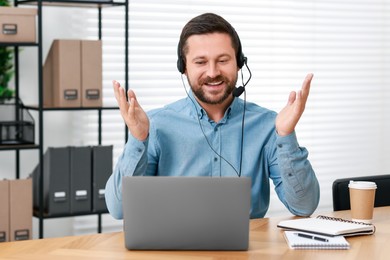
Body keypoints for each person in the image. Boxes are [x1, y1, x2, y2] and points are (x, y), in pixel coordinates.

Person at [105, 12, 320, 219]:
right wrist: (138, 139)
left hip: (248, 252)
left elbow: (304, 206)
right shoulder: (155, 126)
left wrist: (285, 135)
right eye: (200, 62)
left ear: (239, 62)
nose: (212, 72)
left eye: (223, 60)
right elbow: (119, 209)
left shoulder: (267, 125)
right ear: (183, 67)